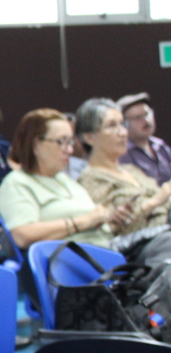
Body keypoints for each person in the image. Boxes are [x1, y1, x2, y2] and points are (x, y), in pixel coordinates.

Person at [0, 108, 131, 251]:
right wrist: (83, 222)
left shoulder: (66, 180)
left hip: (107, 248)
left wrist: (107, 220)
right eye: (61, 142)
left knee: (156, 238)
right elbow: (21, 235)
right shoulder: (17, 183)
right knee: (156, 243)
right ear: (35, 145)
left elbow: (93, 222)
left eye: (70, 142)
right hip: (76, 259)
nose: (69, 150)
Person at [73, 98, 171, 264]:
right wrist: (154, 201)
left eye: (122, 124)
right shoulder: (90, 180)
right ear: (89, 137)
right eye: (112, 126)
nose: (123, 132)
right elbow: (111, 231)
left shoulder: (132, 170)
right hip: (141, 251)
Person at [117, 92, 171, 185]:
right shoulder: (122, 153)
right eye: (138, 118)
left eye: (147, 114)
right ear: (125, 124)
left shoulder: (161, 146)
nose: (146, 121)